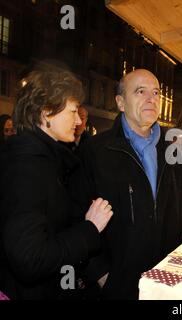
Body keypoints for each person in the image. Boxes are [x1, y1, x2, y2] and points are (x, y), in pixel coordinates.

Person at [74, 69, 182, 300]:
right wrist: (101, 274)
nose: (151, 98)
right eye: (140, 91)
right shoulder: (95, 151)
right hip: (120, 285)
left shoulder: (174, 147)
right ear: (120, 102)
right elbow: (77, 214)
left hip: (168, 279)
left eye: (156, 92)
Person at [0, 69, 113, 300]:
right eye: (73, 111)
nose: (80, 120)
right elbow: (30, 259)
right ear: (46, 112)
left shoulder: (47, 161)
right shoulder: (26, 169)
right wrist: (90, 228)